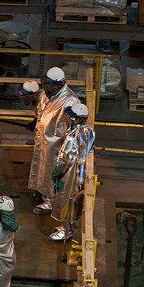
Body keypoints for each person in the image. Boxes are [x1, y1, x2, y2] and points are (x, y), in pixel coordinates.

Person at [27, 67, 80, 214]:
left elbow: (75, 127)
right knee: (41, 168)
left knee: (51, 171)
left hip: (57, 145)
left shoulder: (70, 100)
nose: (44, 88)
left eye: (47, 85)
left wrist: (67, 149)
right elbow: (41, 111)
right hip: (44, 140)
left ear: (58, 84)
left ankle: (51, 201)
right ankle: (41, 192)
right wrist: (35, 122)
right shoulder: (47, 93)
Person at [50, 103, 96, 241]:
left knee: (66, 202)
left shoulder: (72, 136)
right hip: (82, 173)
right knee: (75, 202)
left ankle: (66, 231)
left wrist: (57, 172)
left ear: (75, 119)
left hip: (69, 175)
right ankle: (69, 228)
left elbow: (65, 159)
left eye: (70, 117)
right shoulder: (90, 132)